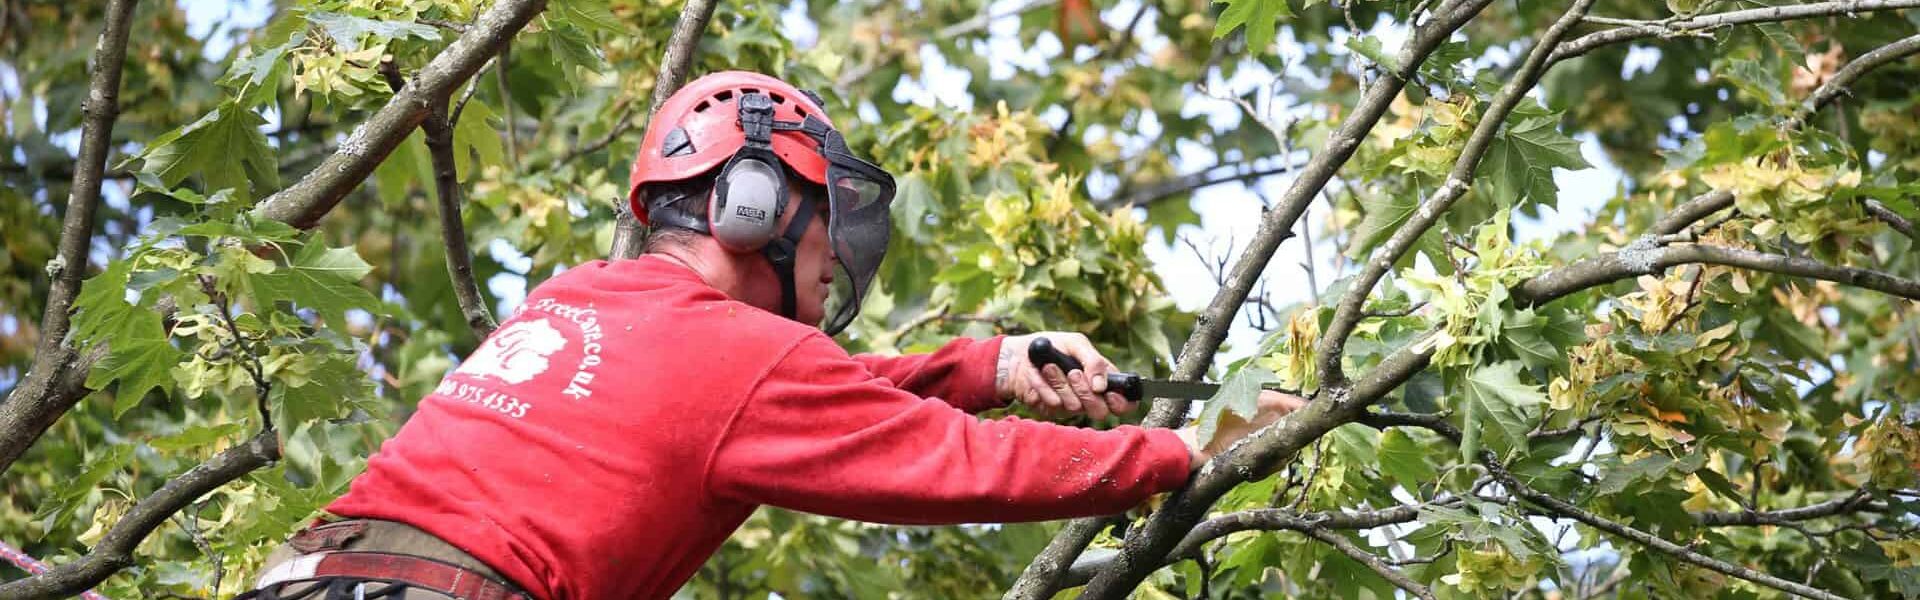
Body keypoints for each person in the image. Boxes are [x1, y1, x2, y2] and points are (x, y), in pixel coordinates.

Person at [238, 71, 1305, 600]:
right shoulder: (737, 362)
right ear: (754, 206)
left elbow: (764, 402)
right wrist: (1186, 452)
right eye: (826, 229)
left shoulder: (585, 295)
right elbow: (954, 462)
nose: (835, 261)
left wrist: (987, 363)